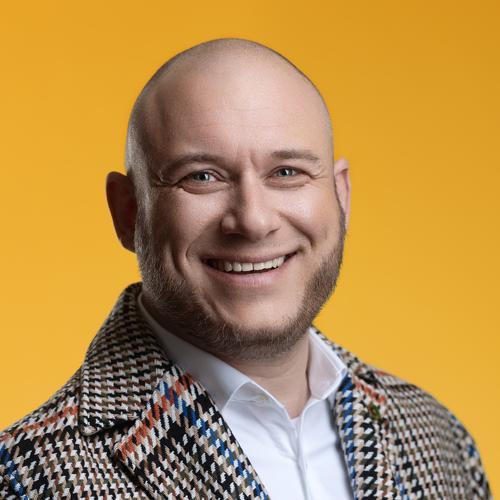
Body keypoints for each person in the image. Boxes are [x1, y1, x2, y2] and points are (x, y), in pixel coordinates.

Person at [0, 38, 491, 499]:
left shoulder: (438, 438)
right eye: (202, 176)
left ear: (340, 196)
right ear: (128, 212)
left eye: (287, 172)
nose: (253, 220)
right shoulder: (25, 479)